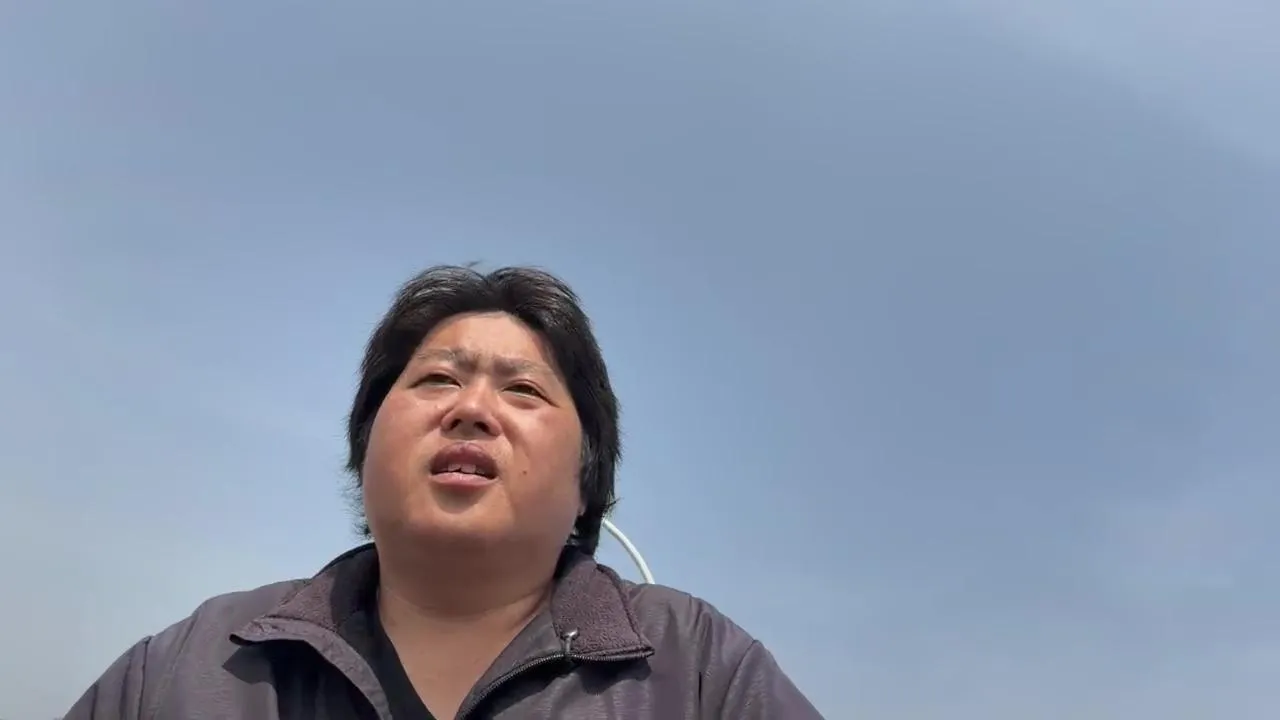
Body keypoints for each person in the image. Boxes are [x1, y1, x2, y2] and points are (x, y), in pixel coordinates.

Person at [65, 265, 824, 719]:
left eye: (523, 390)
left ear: (587, 480)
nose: (471, 409)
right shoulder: (193, 666)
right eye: (435, 379)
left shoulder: (699, 672)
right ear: (366, 443)